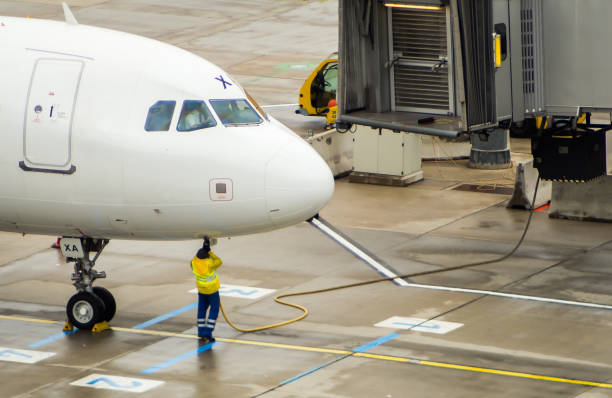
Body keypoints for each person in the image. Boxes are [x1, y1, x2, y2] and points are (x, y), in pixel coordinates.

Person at [191, 237, 222, 343]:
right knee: (214, 310)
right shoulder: (209, 264)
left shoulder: (194, 263)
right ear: (207, 258)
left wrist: (204, 249)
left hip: (202, 291)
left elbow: (197, 257)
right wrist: (210, 253)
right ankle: (208, 333)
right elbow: (219, 261)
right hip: (212, 291)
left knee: (202, 310)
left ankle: (201, 332)